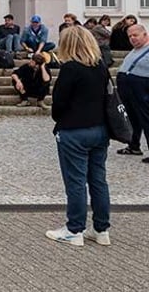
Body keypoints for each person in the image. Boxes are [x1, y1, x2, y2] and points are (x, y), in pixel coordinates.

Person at [45, 27, 111, 247]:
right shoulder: (100, 66)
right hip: (99, 128)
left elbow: (59, 103)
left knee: (76, 181)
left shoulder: (70, 68)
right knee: (98, 180)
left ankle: (75, 229)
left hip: (74, 130)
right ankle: (101, 229)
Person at [115, 24, 149, 160]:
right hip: (128, 88)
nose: (132, 38)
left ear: (145, 35)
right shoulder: (135, 50)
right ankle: (133, 145)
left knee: (146, 118)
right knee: (131, 118)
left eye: (135, 35)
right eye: (130, 36)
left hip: (141, 87)